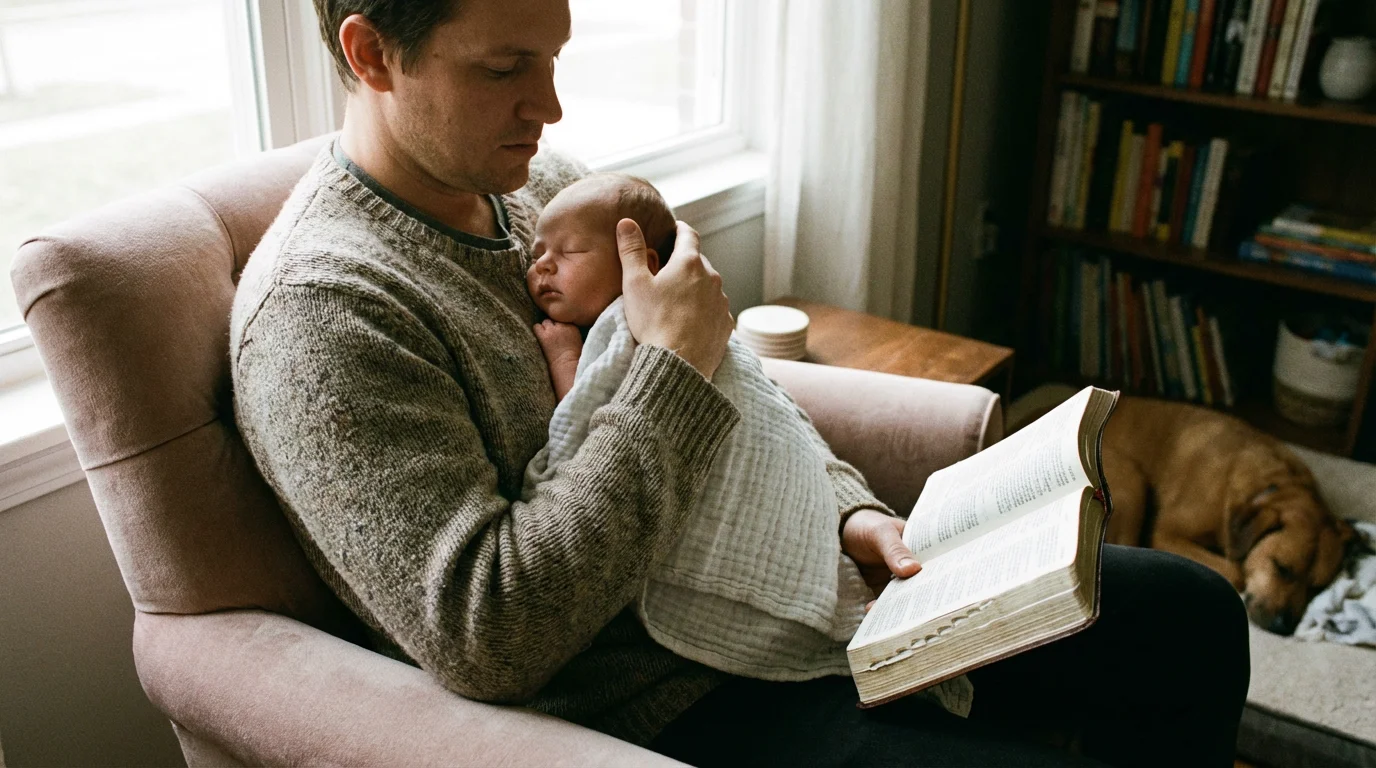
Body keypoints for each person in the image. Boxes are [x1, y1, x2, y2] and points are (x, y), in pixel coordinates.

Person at [228, 1, 1250, 766]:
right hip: (666, 693)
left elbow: (739, 391)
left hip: (795, 577)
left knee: (1189, 614)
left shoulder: (532, 183)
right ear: (371, 55)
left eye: (552, 56)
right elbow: (490, 634)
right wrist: (667, 370)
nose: (548, 104)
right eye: (506, 68)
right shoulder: (323, 314)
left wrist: (843, 509)